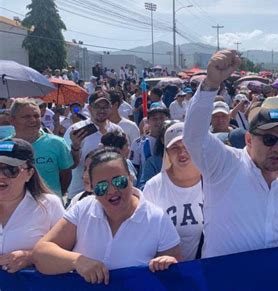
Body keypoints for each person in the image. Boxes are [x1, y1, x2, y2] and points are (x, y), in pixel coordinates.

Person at [183, 49, 278, 259]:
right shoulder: (225, 165)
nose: (277, 148)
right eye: (269, 140)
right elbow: (193, 136)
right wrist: (210, 84)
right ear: (249, 140)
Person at [32, 148, 181, 285]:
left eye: (119, 181)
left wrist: (167, 263)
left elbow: (174, 277)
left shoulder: (158, 219)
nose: (111, 191)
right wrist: (77, 261)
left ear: (130, 178)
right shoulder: (82, 209)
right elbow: (41, 253)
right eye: (102, 187)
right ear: (91, 188)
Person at [0, 138, 64, 273]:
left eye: (10, 170)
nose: (1, 176)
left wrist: (31, 257)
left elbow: (66, 251)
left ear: (29, 173)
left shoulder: (50, 205)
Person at [144, 122, 203, 261]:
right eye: (175, 148)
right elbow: (144, 235)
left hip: (207, 269)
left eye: (187, 145)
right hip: (167, 271)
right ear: (167, 153)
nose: (182, 152)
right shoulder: (153, 187)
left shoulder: (213, 182)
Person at [64, 91, 123, 199]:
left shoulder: (117, 130)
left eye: (105, 107)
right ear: (90, 108)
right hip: (80, 193)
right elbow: (68, 165)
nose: (102, 110)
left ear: (111, 109)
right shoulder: (76, 130)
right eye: (97, 107)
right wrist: (75, 147)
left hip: (109, 193)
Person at [10, 99, 73, 198]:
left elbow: (66, 176)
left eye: (36, 116)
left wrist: (54, 196)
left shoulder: (57, 143)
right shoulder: (5, 147)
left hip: (50, 207)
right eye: (26, 116)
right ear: (13, 120)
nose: (33, 120)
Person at [130, 106, 170, 179]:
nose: (158, 122)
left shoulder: (172, 141)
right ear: (148, 121)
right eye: (154, 119)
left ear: (167, 119)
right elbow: (135, 168)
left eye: (161, 118)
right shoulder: (138, 143)